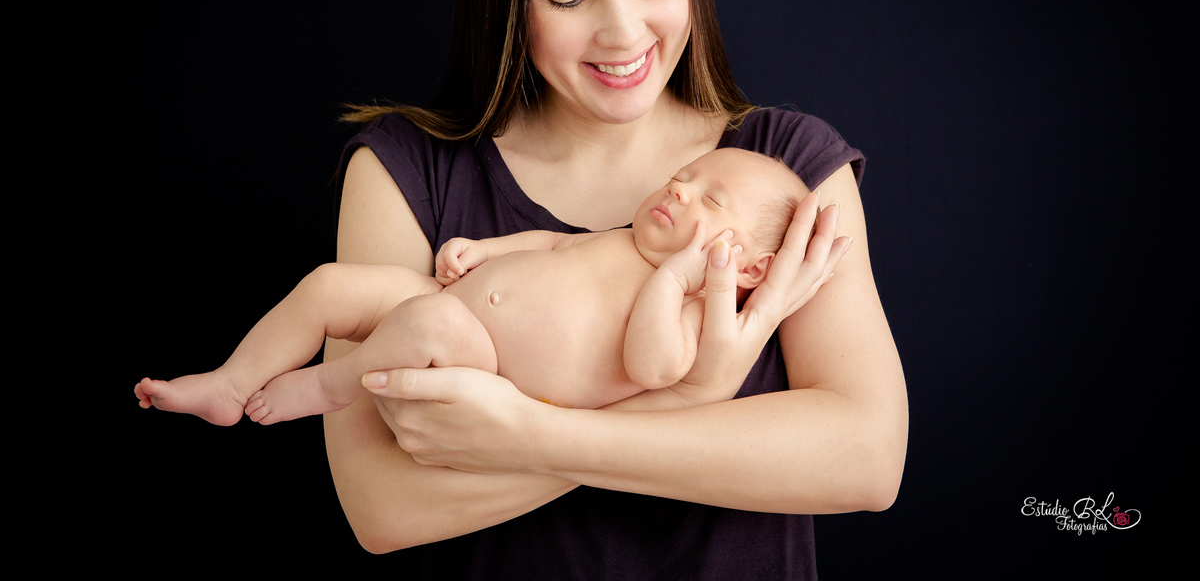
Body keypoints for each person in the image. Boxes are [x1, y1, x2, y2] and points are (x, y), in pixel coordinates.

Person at [327, 0, 907, 577]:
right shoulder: (406, 174)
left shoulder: (787, 167)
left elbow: (866, 457)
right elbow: (382, 507)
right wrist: (694, 400)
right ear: (506, 1)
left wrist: (530, 437)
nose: (625, 34)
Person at [136, 148, 831, 423]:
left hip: (483, 361)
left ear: (747, 270)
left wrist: (681, 277)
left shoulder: (686, 316)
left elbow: (653, 367)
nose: (681, 190)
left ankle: (324, 388)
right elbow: (554, 245)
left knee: (428, 329)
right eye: (686, 176)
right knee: (328, 284)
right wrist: (488, 248)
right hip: (444, 300)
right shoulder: (623, 239)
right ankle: (232, 382)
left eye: (711, 200)